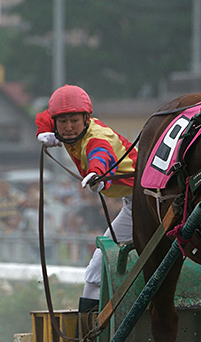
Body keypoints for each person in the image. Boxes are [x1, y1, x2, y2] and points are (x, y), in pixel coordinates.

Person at [36, 84, 137, 314]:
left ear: (86, 118)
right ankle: (87, 329)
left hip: (150, 201)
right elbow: (44, 117)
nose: (68, 127)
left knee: (100, 263)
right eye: (62, 122)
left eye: (74, 121)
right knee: (97, 267)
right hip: (132, 204)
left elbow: (101, 153)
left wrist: (97, 174)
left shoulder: (97, 138)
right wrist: (44, 130)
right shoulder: (68, 127)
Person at [0, 180, 24, 261]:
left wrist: (17, 221)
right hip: (2, 228)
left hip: (14, 228)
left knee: (16, 254)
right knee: (4, 254)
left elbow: (22, 209)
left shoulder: (15, 197)